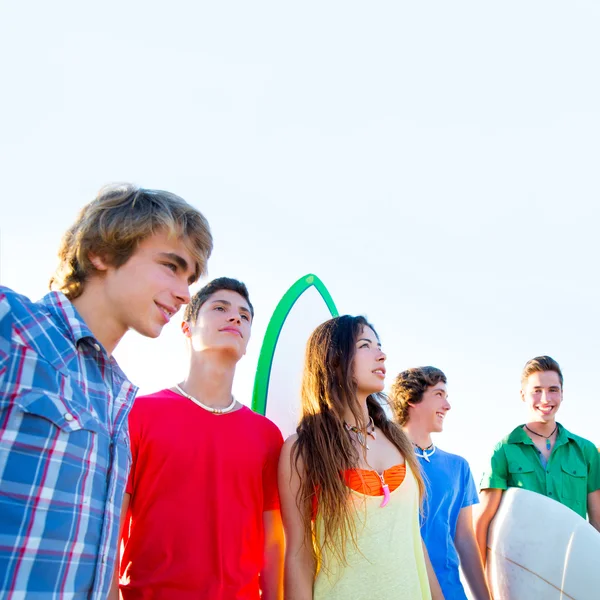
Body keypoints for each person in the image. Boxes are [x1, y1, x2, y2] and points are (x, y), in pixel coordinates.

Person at [0, 183, 212, 598]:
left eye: (189, 279)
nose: (185, 294)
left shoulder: (117, 397)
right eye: (171, 266)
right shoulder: (12, 324)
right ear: (101, 253)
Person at [118, 277, 284, 600]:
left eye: (244, 316)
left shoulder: (267, 435)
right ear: (187, 328)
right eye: (220, 308)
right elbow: (110, 528)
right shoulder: (137, 414)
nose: (235, 317)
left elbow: (273, 544)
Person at [278, 315, 443, 600]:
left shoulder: (398, 440)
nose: (381, 354)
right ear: (335, 360)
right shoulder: (303, 449)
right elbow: (298, 555)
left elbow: (414, 540)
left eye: (379, 345)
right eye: (366, 345)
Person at [475, 355, 600, 565]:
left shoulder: (586, 451)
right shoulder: (503, 450)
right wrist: (483, 586)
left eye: (553, 390)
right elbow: (482, 522)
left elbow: (597, 520)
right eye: (537, 391)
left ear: (562, 393)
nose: (545, 399)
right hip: (521, 570)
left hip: (575, 567)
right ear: (523, 394)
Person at [390, 367, 491, 600]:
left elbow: (465, 539)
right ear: (411, 399)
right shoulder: (387, 458)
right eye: (439, 394)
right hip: (400, 589)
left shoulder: (458, 466)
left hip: (450, 589)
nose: (447, 405)